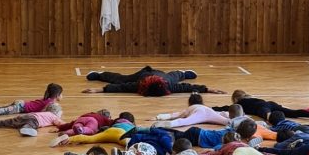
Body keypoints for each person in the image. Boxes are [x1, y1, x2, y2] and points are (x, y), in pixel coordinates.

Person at [83, 66, 215, 97]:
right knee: (120, 79)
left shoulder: (167, 84)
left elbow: (186, 87)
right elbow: (121, 86)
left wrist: (207, 89)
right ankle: (100, 74)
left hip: (163, 76)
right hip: (143, 74)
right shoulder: (140, 83)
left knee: (174, 76)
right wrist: (99, 89)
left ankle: (184, 73)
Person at [208, 91, 309, 121]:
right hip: (270, 103)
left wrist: (210, 108)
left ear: (235, 99)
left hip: (261, 108)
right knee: (291, 112)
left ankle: (281, 125)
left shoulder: (239, 103)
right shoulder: (251, 98)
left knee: (269, 118)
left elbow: (225, 108)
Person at [0, 84, 64, 119]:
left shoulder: (46, 98)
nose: (62, 96)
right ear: (57, 95)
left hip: (21, 103)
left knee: (1, 107)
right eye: (61, 94)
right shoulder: (50, 103)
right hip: (20, 107)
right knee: (3, 110)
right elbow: (42, 113)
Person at [0, 107, 64, 138]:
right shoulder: (54, 115)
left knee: (3, 122)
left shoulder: (45, 112)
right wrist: (66, 124)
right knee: (31, 125)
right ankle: (26, 128)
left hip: (24, 116)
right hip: (33, 119)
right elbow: (59, 123)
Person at [153, 94, 231, 130]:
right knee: (226, 121)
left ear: (190, 102)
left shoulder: (191, 108)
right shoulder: (206, 107)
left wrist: (158, 117)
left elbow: (176, 115)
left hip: (199, 114)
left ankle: (166, 124)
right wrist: (228, 114)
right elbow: (220, 113)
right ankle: (236, 121)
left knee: (184, 121)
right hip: (210, 112)